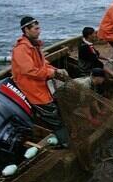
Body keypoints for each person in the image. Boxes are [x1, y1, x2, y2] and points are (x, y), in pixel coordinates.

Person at [11, 16, 70, 146]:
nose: (39, 31)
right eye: (36, 29)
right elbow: (30, 71)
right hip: (34, 91)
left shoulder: (34, 45)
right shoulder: (21, 49)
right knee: (54, 119)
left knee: (59, 110)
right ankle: (66, 143)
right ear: (26, 29)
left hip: (43, 87)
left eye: (39, 28)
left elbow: (43, 65)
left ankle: (63, 138)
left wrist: (56, 70)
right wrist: (52, 73)